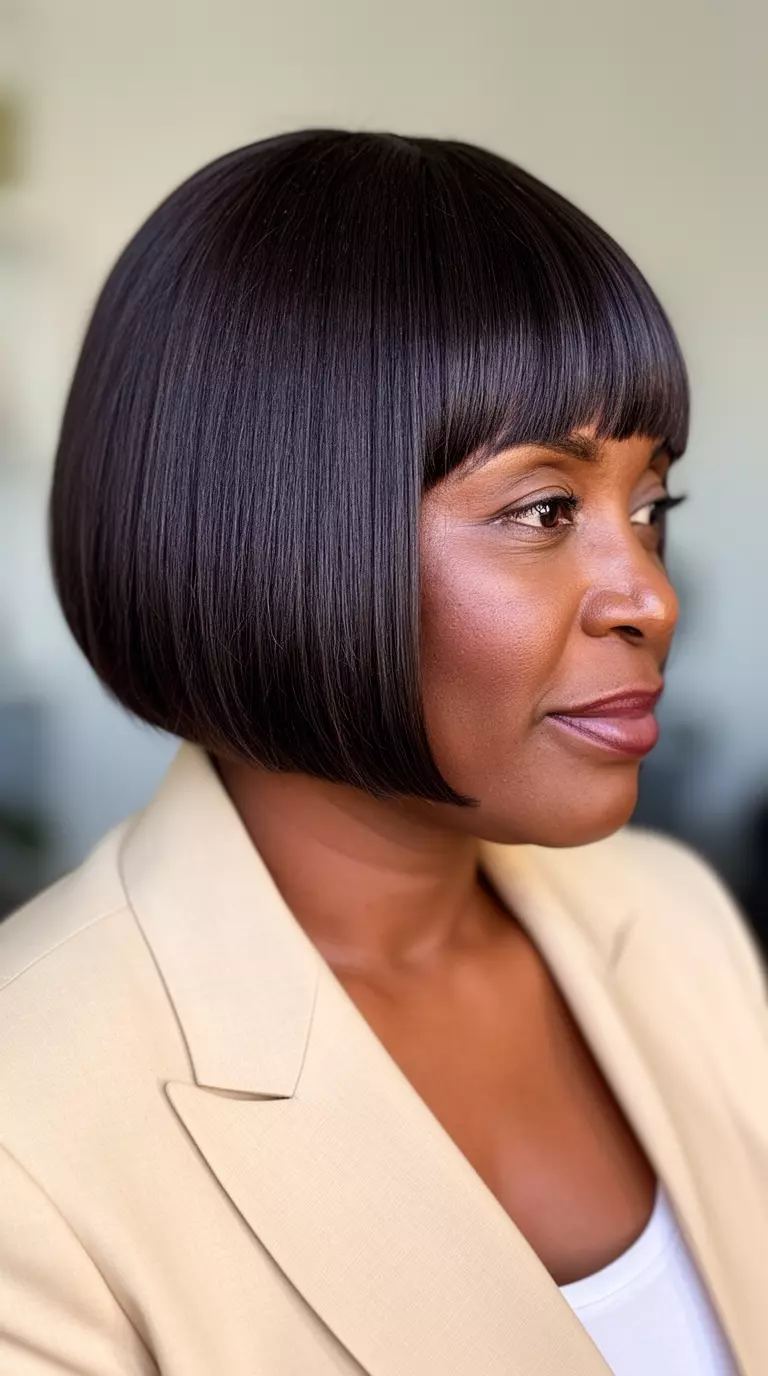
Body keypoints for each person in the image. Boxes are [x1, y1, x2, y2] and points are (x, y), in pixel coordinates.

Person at [0, 129, 765, 1376]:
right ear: (279, 534)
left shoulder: (674, 924)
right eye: (543, 508)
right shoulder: (27, 1126)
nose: (649, 597)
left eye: (650, 506)